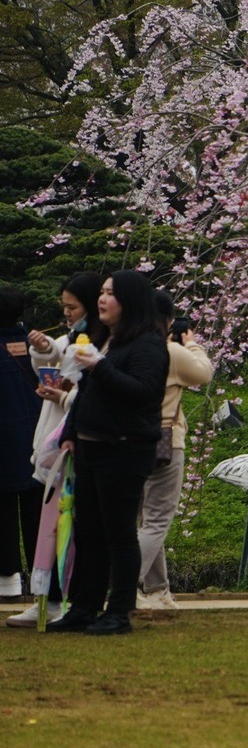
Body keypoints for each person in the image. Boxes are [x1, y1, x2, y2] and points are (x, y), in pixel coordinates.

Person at [48, 270, 170, 635]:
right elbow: (85, 394)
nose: (102, 299)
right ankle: (85, 607)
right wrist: (70, 433)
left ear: (130, 300)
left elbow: (143, 392)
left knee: (118, 534)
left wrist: (100, 367)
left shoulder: (147, 344)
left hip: (124, 448)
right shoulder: (107, 339)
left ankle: (118, 611)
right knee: (89, 532)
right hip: (90, 445)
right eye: (101, 292)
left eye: (110, 294)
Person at [9, 270, 104, 629]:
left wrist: (64, 394)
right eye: (63, 306)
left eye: (72, 306)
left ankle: (65, 598)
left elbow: (93, 395)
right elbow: (50, 370)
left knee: (68, 527)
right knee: (46, 525)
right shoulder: (71, 338)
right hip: (53, 438)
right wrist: (44, 350)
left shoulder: (99, 342)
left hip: (74, 443)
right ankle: (45, 597)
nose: (66, 312)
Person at [135, 292, 212, 611]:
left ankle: (158, 589)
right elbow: (204, 373)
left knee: (143, 518)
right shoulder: (171, 352)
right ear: (167, 323)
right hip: (166, 441)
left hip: (129, 441)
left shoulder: (124, 350)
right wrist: (191, 344)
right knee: (157, 520)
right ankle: (123, 585)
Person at [1, 283, 37, 600]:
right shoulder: (40, 346)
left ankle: (8, 584)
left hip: (2, 446)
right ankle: (41, 583)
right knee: (38, 511)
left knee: (2, 513)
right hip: (41, 443)